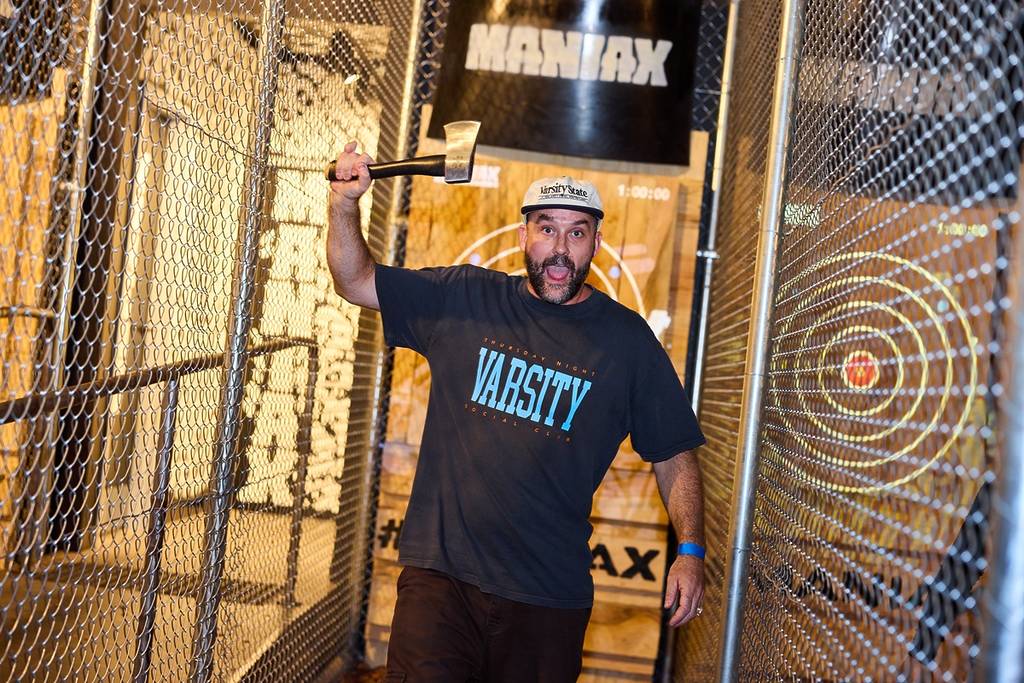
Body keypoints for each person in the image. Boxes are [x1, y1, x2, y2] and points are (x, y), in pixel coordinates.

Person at [328, 141, 707, 683]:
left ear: (597, 244)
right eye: (547, 228)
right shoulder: (464, 299)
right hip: (442, 580)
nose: (560, 249)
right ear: (523, 235)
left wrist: (690, 550)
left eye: (577, 233)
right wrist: (344, 204)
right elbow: (356, 281)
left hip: (548, 594)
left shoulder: (628, 342)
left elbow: (674, 453)